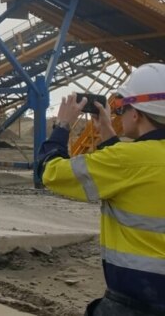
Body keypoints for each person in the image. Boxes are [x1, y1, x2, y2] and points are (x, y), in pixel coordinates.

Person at [35, 63, 165, 315]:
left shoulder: (124, 161)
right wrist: (106, 131)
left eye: (120, 108)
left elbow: (49, 172)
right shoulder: (128, 161)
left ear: (136, 113)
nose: (118, 114)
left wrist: (62, 126)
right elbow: (133, 177)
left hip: (137, 301)